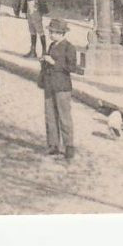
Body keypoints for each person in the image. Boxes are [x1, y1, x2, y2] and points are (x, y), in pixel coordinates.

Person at [40, 17, 82, 159]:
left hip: (62, 87)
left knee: (64, 117)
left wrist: (53, 62)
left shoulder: (69, 47)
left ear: (62, 33)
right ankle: (53, 144)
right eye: (51, 31)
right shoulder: (52, 45)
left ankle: (69, 146)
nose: (51, 34)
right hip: (50, 85)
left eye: (54, 32)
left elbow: (72, 67)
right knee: (50, 115)